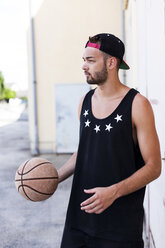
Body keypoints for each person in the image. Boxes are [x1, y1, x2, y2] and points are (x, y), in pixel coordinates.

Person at [58, 33, 161, 248]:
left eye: (90, 60)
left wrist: (112, 192)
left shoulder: (137, 104)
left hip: (118, 230)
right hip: (78, 223)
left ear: (111, 62)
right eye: (84, 60)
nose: (84, 66)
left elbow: (154, 167)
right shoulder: (84, 102)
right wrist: (55, 177)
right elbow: (85, 150)